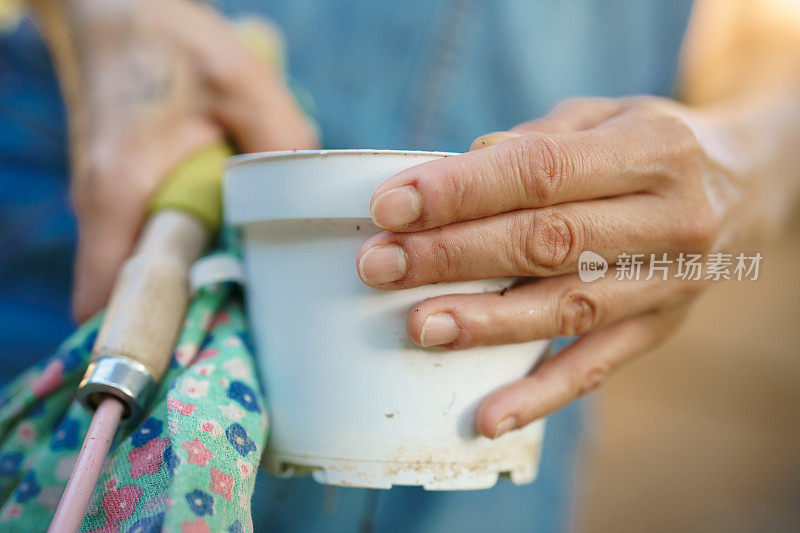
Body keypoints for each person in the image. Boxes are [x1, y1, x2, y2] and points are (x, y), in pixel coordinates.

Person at [2, 0, 799, 530]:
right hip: (124, 194)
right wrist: (104, 16)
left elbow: (766, 52)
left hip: (505, 412)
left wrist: (754, 158)